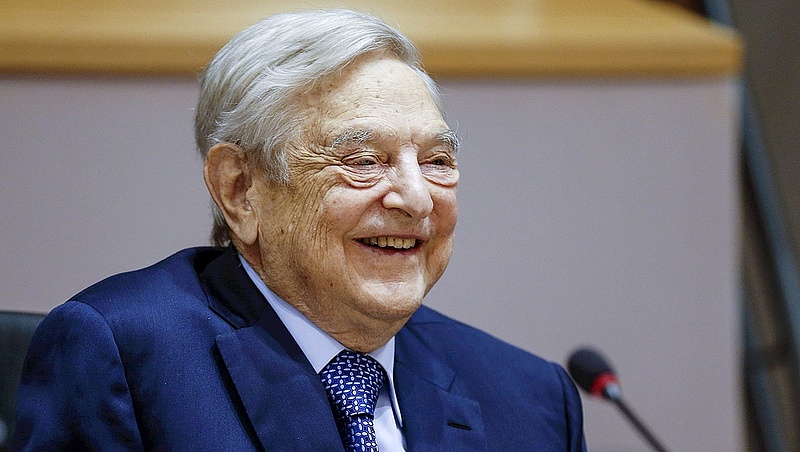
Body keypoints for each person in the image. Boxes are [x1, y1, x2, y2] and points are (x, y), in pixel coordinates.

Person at [12, 9, 586, 451]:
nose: (416, 199)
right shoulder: (124, 359)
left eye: (437, 161)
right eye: (363, 161)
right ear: (240, 189)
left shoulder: (531, 400)